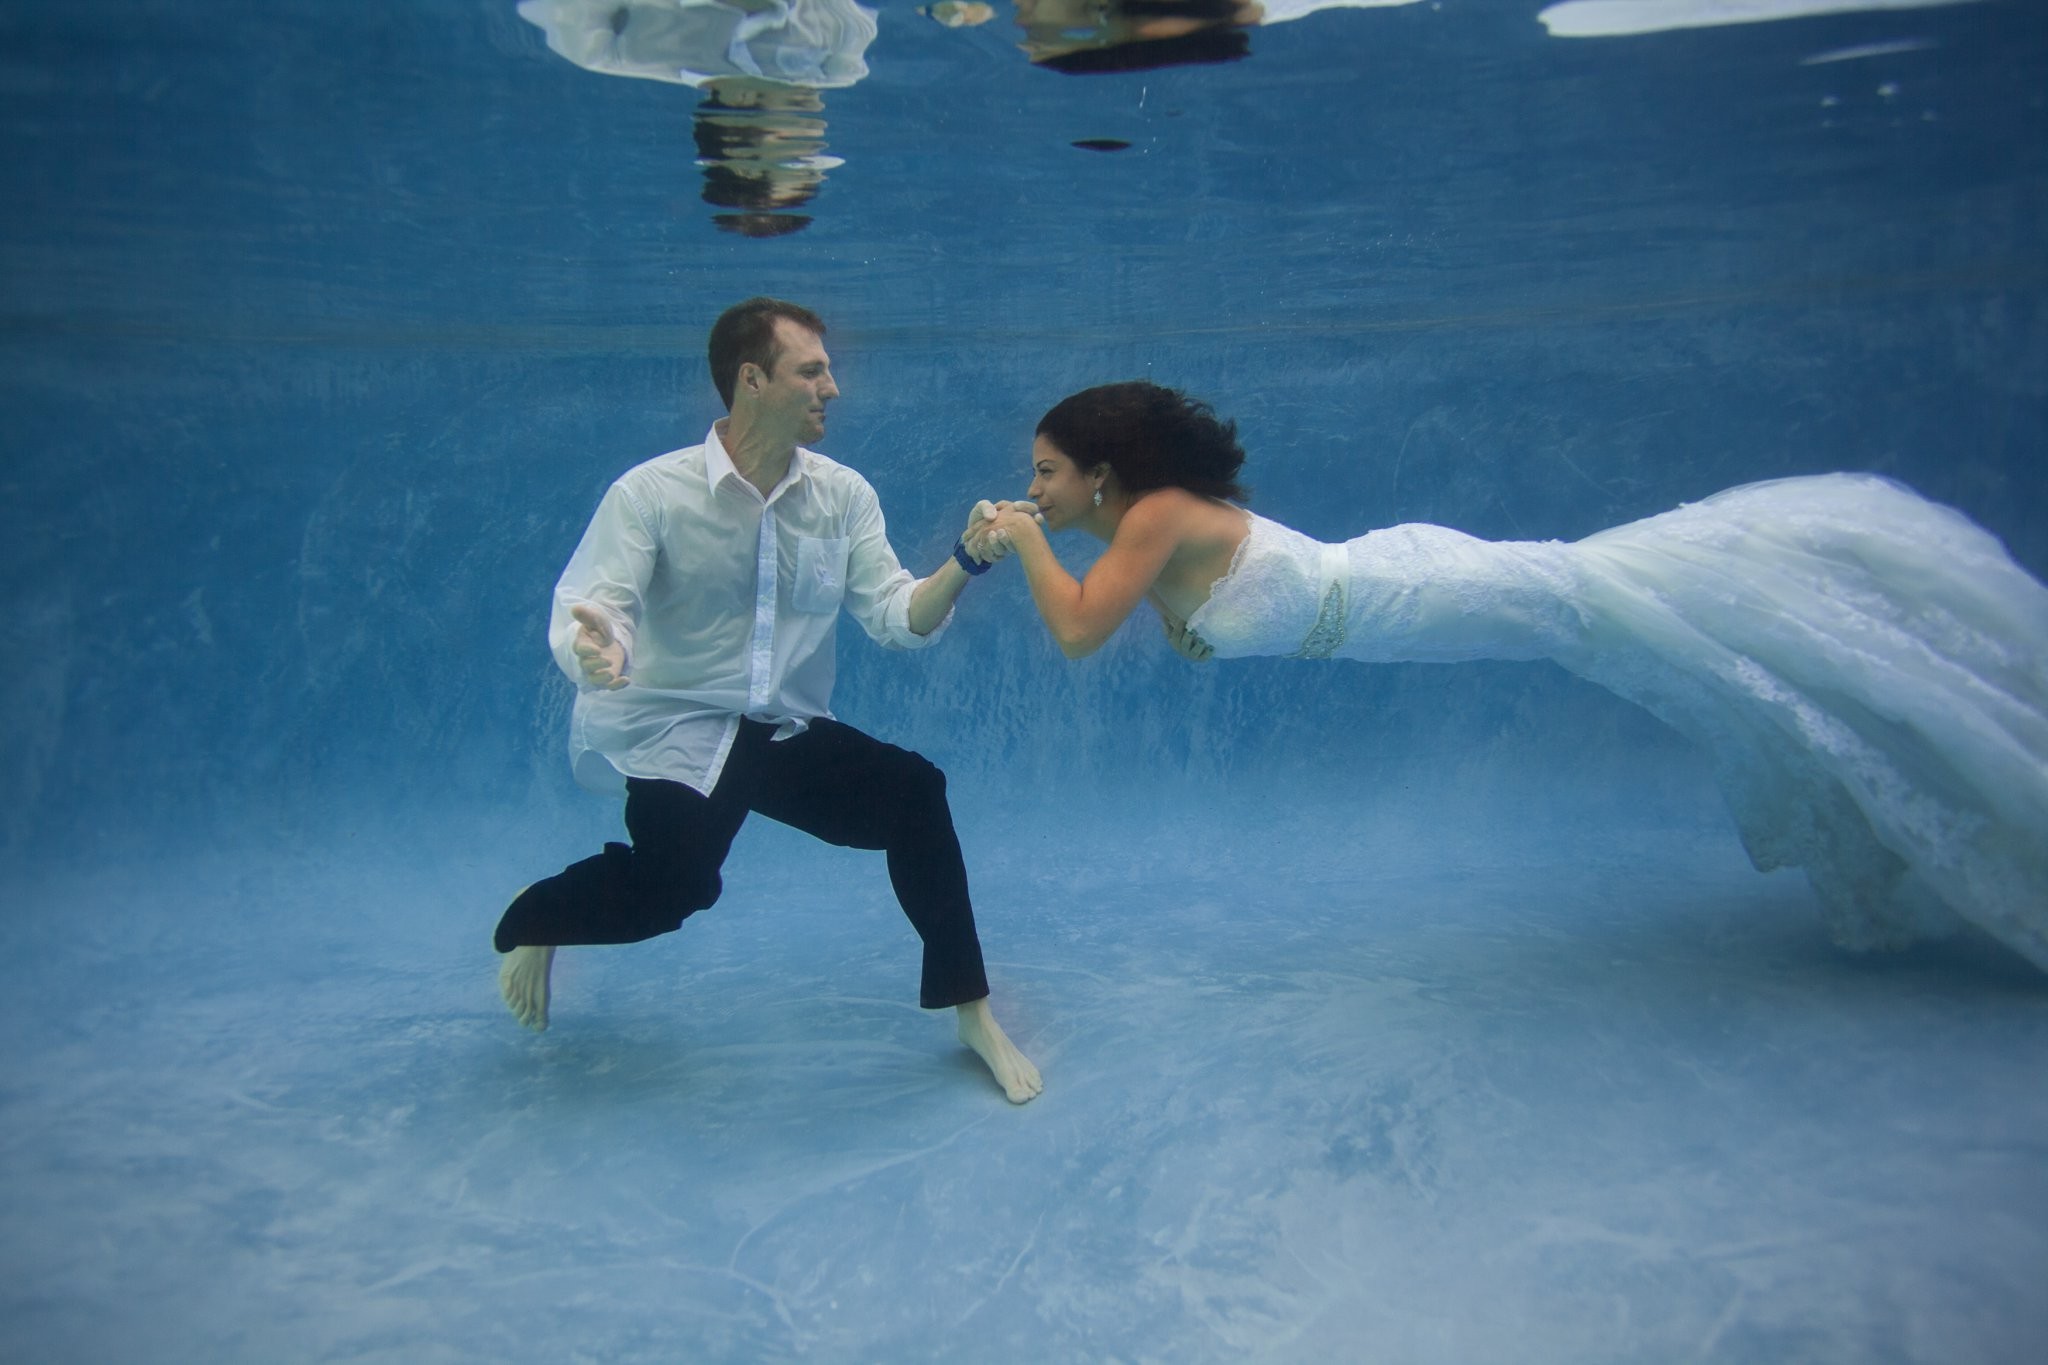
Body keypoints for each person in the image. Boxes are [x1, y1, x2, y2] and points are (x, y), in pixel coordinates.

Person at [967, 380, 2048, 975]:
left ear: (1101, 474)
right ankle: (1864, 738)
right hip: (1393, 600)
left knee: (1609, 606)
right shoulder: (1145, 534)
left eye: (1046, 473)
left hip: (1415, 595)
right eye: (1031, 478)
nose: (1033, 488)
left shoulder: (1149, 519)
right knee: (1620, 610)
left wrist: (1017, 541)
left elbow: (1072, 637)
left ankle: (1882, 693)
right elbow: (1193, 626)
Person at [495, 297, 1042, 1105]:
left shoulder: (842, 495)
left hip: (783, 730)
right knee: (673, 888)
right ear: (751, 380)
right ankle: (536, 916)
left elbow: (896, 616)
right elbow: (600, 601)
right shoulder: (650, 494)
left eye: (829, 368)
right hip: (676, 727)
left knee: (913, 792)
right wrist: (599, 644)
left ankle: (972, 1009)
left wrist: (967, 559)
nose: (834, 387)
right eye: (812, 370)